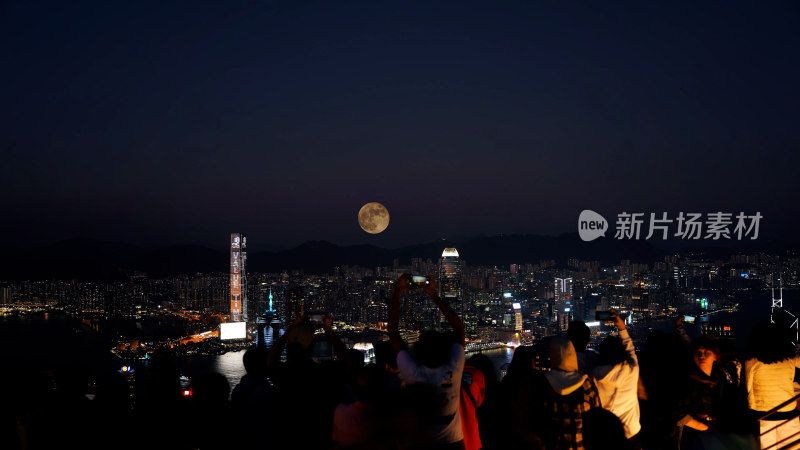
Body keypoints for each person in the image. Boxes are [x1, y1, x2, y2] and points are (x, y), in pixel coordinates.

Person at [389, 273, 466, 448]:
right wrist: (434, 295)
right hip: (453, 443)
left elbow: (392, 330)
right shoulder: (453, 369)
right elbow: (459, 327)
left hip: (421, 443)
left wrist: (398, 292)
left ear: (419, 351)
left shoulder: (412, 373)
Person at [530, 336, 601, 450]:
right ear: (573, 356)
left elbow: (536, 421)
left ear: (552, 356)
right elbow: (598, 419)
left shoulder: (542, 384)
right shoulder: (587, 384)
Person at [745, 322, 800, 450]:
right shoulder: (790, 360)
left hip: (763, 417)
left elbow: (748, 389)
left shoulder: (752, 362)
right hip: (789, 416)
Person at [591, 310, 641, 449]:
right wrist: (621, 327)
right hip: (632, 433)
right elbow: (630, 350)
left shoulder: (593, 376)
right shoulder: (632, 370)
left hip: (607, 435)